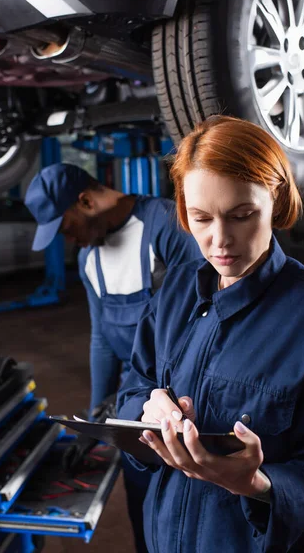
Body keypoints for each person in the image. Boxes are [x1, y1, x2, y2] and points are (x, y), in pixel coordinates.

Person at [117, 115, 304, 553]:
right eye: (201, 218)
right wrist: (147, 409)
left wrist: (260, 485)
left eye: (242, 215)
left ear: (277, 199)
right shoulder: (176, 292)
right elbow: (134, 385)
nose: (220, 240)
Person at [24, 162, 201, 553]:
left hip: (187, 405)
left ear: (85, 201)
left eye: (66, 228)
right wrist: (97, 420)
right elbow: (103, 338)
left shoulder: (167, 227)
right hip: (135, 402)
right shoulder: (89, 260)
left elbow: (204, 323)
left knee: (190, 517)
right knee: (145, 511)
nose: (71, 241)